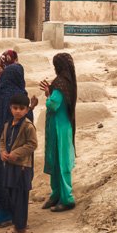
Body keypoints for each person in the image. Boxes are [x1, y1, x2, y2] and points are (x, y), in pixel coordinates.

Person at [0, 63, 36, 227]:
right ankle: (12, 217)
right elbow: (24, 121)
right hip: (14, 149)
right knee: (14, 182)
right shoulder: (18, 94)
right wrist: (31, 108)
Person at [39, 53, 77, 212]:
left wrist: (48, 95)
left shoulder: (61, 83)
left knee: (62, 163)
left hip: (60, 128)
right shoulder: (67, 82)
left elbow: (53, 104)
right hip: (59, 126)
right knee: (55, 160)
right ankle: (56, 194)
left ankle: (67, 198)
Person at [0, 91, 37, 233]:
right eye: (15, 108)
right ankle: (19, 222)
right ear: (10, 108)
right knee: (12, 195)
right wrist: (2, 152)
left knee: (20, 196)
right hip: (9, 166)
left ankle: (20, 228)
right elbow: (2, 141)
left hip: (22, 167)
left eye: (21, 108)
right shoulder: (8, 125)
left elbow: (32, 144)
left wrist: (16, 153)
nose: (18, 111)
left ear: (27, 110)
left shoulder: (28, 126)